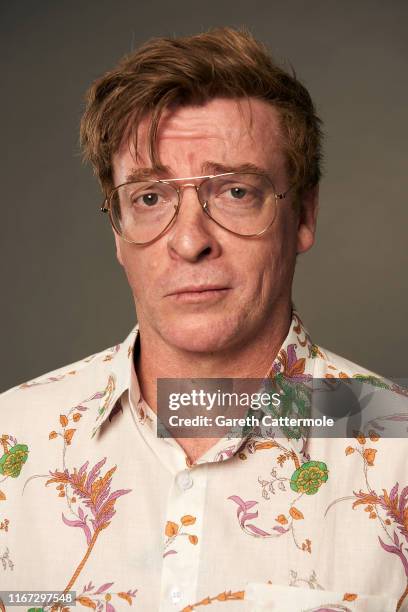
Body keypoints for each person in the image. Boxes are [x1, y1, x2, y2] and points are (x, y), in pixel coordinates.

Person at [0, 27, 407, 612]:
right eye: (149, 198)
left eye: (236, 191)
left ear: (304, 216)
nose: (189, 241)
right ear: (117, 230)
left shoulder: (400, 449)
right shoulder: (13, 441)